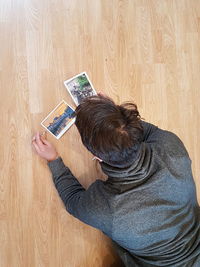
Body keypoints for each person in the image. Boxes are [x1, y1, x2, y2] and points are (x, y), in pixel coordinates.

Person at [32, 94, 200, 267]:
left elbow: (73, 200)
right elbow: (149, 132)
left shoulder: (105, 208)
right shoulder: (172, 148)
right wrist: (113, 122)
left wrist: (53, 160)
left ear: (97, 157)